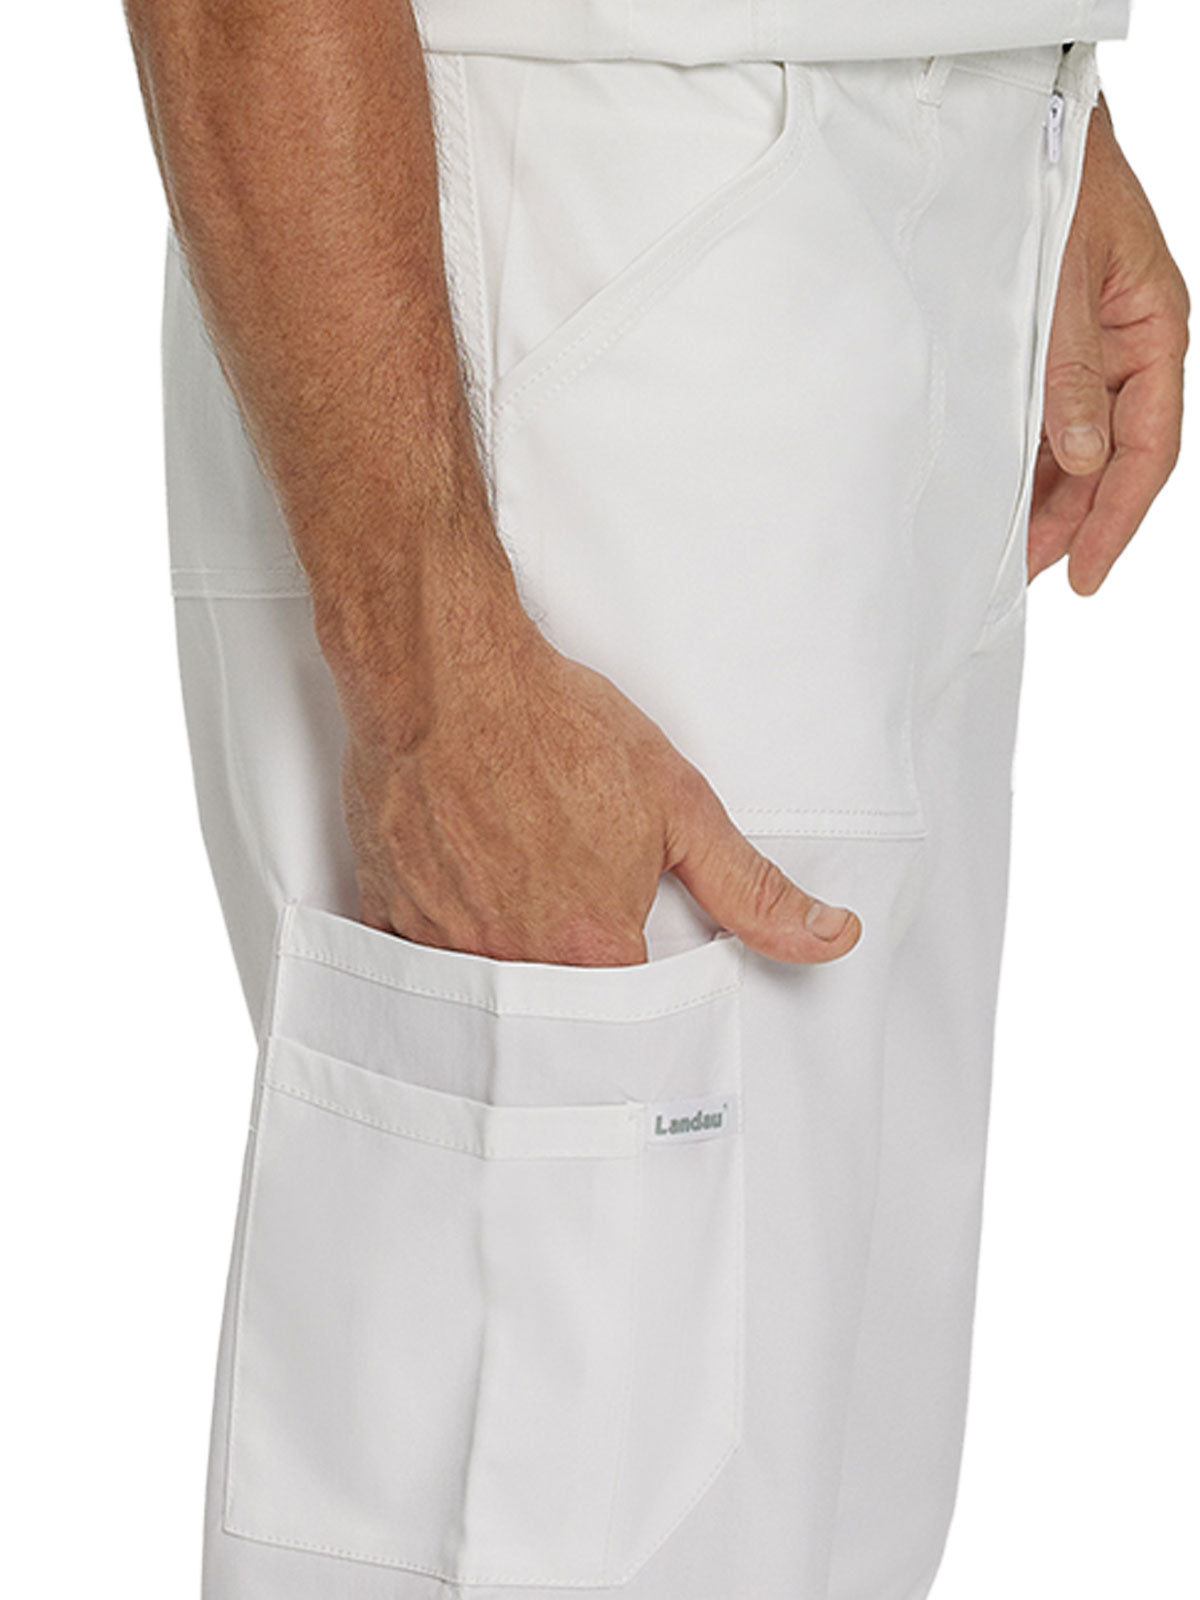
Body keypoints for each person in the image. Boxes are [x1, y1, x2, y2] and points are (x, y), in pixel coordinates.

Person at [123, 3, 1187, 1597]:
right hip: (573, 239)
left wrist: (1039, 88)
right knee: (576, 1515)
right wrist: (427, 651)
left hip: (936, 191)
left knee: (805, 1513)